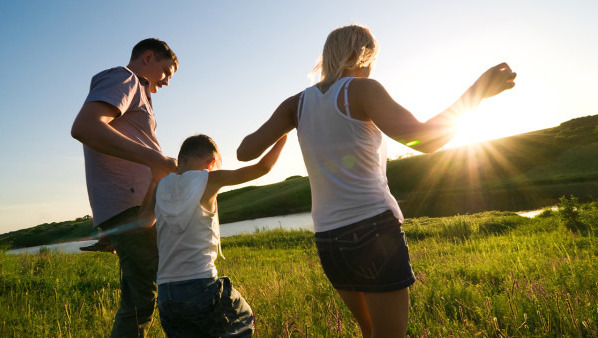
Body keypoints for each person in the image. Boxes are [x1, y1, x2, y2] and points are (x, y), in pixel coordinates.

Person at [236, 25, 516, 337]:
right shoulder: (361, 90)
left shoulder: (296, 104)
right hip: (373, 230)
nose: (371, 69)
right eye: (371, 60)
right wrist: (477, 92)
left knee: (370, 333)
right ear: (358, 55)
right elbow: (422, 141)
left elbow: (245, 151)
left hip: (329, 240)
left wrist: (287, 128)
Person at [71, 38, 179, 337]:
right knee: (154, 293)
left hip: (135, 207)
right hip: (130, 206)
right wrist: (157, 160)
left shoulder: (139, 92)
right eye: (166, 71)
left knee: (139, 296)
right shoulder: (124, 77)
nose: (167, 81)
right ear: (148, 57)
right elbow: (85, 127)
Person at [137, 133, 287, 337]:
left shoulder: (161, 186)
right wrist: (283, 136)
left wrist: (155, 180)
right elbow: (262, 168)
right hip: (200, 286)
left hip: (166, 294)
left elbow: (144, 221)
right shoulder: (207, 178)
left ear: (180, 160)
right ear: (212, 162)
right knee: (243, 320)